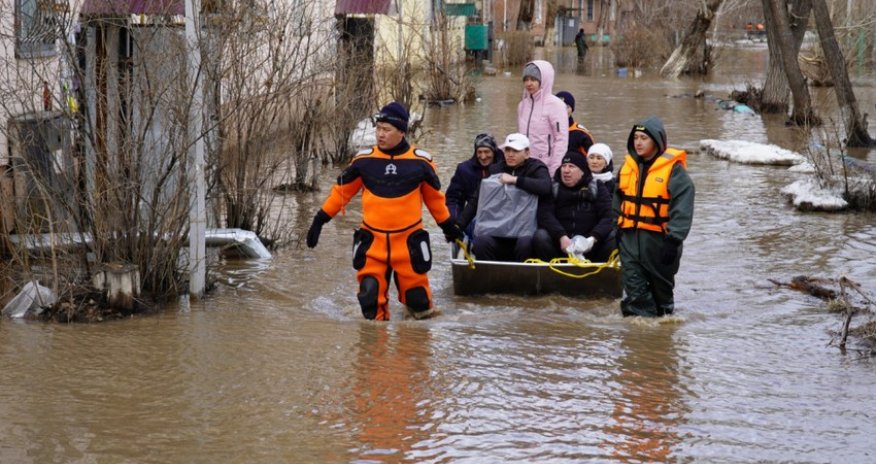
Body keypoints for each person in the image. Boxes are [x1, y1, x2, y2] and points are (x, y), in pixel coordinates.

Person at [305, 102, 462, 321]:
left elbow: (434, 200)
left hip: (408, 243)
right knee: (369, 302)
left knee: (420, 306)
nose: (380, 134)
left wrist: (448, 226)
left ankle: (412, 349)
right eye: (378, 128)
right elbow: (341, 193)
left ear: (401, 131)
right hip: (373, 242)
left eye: (386, 130)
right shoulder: (363, 161)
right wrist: (320, 220)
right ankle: (374, 352)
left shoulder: (421, 163)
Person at [613, 116, 695, 317]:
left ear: (657, 141)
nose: (638, 142)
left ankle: (660, 335)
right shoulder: (627, 168)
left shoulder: (675, 172)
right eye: (636, 137)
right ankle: (639, 338)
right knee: (634, 290)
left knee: (662, 298)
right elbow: (617, 201)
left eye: (644, 138)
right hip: (630, 240)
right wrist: (616, 229)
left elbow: (682, 207)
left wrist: (674, 238)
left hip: (660, 242)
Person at [457, 133, 553, 262]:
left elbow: (545, 187)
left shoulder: (536, 168)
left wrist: (515, 180)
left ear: (527, 153)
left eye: (515, 151)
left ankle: (523, 277)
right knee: (481, 242)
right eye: (507, 150)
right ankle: (489, 277)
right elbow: (476, 200)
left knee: (525, 243)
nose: (510, 154)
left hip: (524, 233)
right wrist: (458, 227)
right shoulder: (496, 169)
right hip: (499, 231)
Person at [532, 150, 614, 262]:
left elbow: (609, 216)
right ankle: (552, 271)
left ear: (582, 171)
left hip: (590, 246)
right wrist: (561, 236)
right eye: (564, 166)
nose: (566, 170)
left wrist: (593, 238)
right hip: (560, 245)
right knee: (540, 236)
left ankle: (600, 270)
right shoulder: (553, 187)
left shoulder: (597, 187)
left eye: (571, 166)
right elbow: (545, 215)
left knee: (615, 235)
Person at [444, 133, 504, 238]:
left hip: (501, 217)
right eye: (479, 152)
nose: (483, 156)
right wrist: (454, 220)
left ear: (494, 152)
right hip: (472, 217)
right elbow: (453, 199)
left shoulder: (506, 167)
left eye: (487, 152)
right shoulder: (464, 170)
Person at [517, 60, 568, 177]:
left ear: (543, 80)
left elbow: (561, 140)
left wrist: (554, 170)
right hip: (524, 166)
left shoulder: (556, 105)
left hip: (545, 166)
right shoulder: (522, 105)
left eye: (533, 79)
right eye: (526, 79)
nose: (529, 83)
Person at [556, 90, 595, 156]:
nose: (562, 110)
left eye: (566, 107)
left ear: (572, 110)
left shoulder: (581, 134)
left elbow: (594, 159)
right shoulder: (544, 131)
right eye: (558, 106)